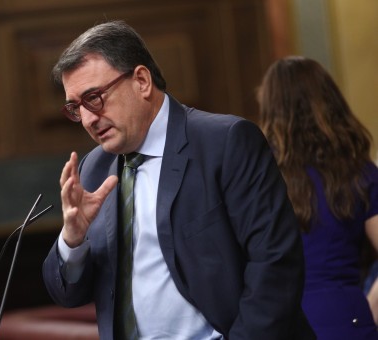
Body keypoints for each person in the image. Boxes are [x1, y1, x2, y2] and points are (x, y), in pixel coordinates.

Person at [42, 20, 315, 339]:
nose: (87, 119)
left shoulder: (225, 143)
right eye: (75, 108)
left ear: (141, 81)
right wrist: (72, 240)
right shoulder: (94, 169)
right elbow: (67, 294)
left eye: (94, 98)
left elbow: (275, 264)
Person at [257, 55, 378, 339]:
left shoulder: (257, 173)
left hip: (280, 321)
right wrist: (371, 303)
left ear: (270, 108)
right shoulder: (358, 170)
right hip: (346, 316)